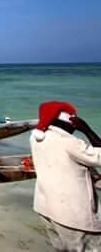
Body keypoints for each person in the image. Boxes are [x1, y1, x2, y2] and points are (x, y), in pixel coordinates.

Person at [30, 101, 101, 250]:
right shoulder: (70, 142)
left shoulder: (35, 137)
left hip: (46, 208)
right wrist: (87, 129)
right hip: (74, 216)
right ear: (70, 121)